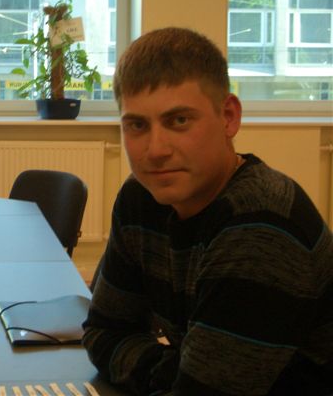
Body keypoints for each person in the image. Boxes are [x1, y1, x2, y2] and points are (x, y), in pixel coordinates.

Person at [83, 27, 333, 395]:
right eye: (137, 125)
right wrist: (176, 369)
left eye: (179, 121)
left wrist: (174, 371)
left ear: (229, 116)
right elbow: (103, 332)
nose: (156, 150)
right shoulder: (142, 198)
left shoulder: (262, 224)